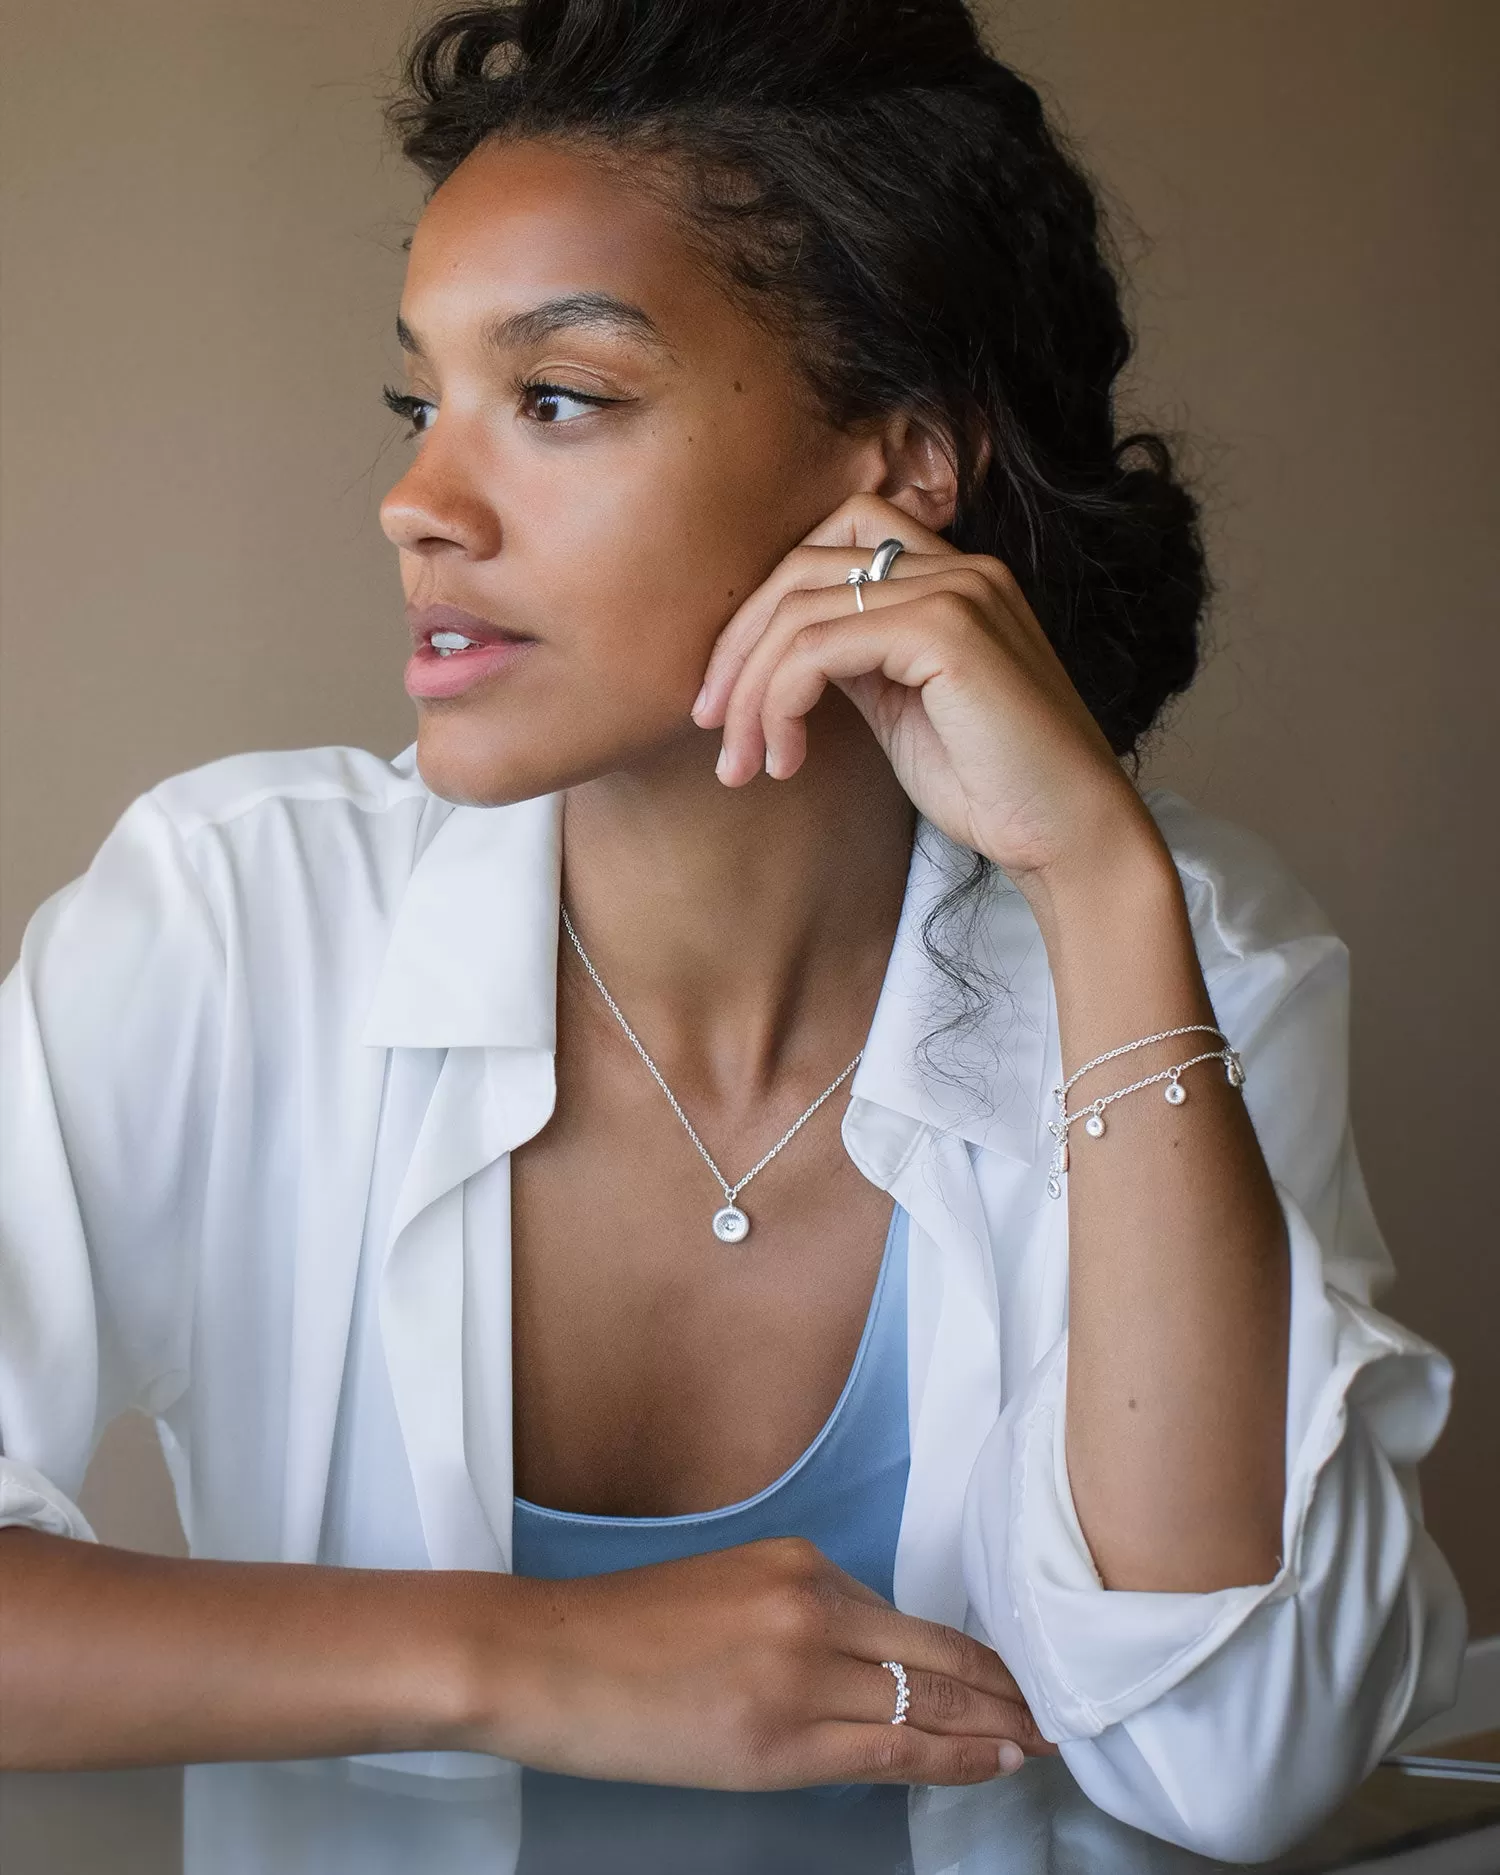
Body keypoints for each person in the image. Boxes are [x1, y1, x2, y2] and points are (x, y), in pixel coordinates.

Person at [0, 0, 1466, 1860]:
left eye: (556, 399)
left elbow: (1249, 1765)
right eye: (419, 401)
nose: (417, 505)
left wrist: (1097, 887)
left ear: (897, 469)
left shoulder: (1190, 956)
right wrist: (523, 1659)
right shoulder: (234, 919)